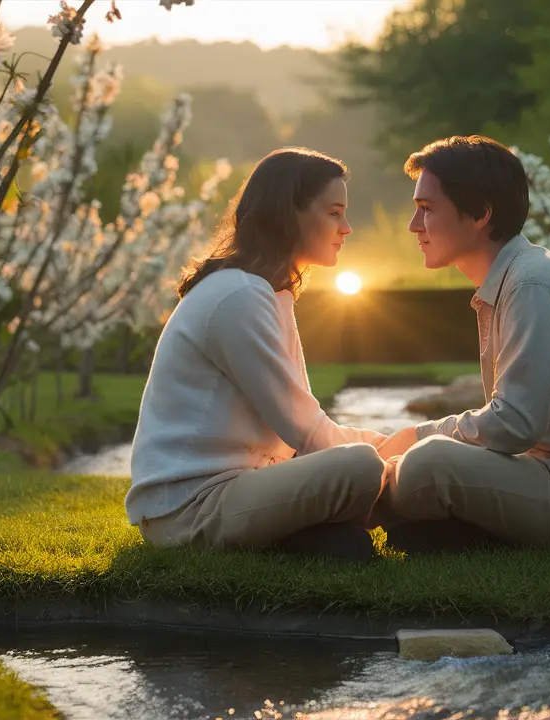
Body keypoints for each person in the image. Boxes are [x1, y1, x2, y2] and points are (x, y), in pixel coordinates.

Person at [375, 135, 550, 552]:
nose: (413, 225)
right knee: (408, 457)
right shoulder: (514, 279)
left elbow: (514, 425)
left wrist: (419, 434)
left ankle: (343, 511)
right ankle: (394, 516)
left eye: (426, 209)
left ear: (480, 215)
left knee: (430, 462)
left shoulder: (533, 284)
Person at [125, 147, 388, 561]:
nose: (347, 228)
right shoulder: (239, 295)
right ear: (291, 214)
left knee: (363, 472)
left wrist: (401, 445)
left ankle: (319, 536)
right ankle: (423, 516)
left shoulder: (266, 293)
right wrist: (395, 456)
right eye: (334, 213)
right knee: (362, 468)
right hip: (188, 508)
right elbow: (305, 431)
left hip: (237, 489)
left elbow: (306, 428)